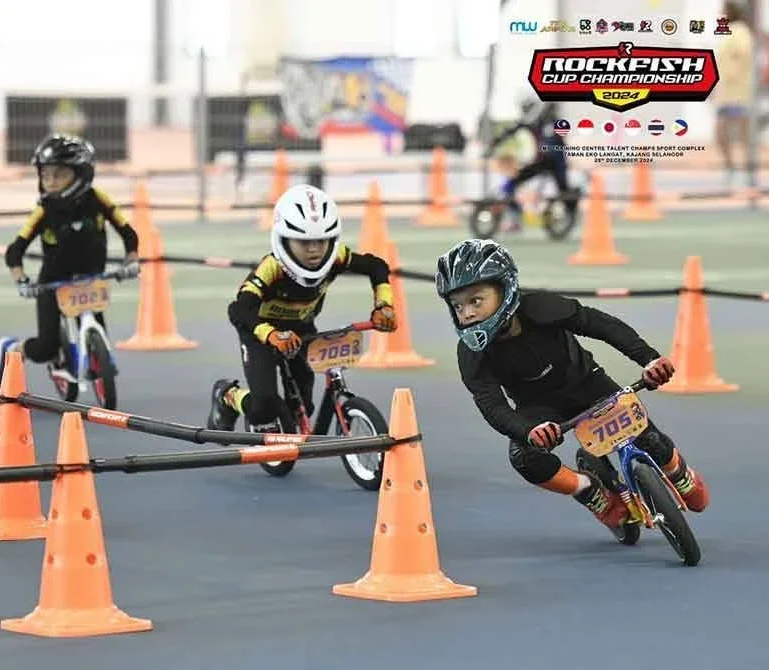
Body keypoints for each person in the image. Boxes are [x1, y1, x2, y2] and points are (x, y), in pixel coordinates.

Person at [434, 239, 709, 532]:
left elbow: (601, 325)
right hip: (540, 411)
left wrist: (649, 359)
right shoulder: (471, 353)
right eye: (458, 306)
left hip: (588, 384)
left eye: (476, 300)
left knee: (649, 440)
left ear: (506, 289)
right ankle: (589, 491)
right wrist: (527, 432)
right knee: (524, 458)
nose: (467, 313)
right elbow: (491, 404)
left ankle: (677, 472)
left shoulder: (542, 307)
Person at [206, 184, 397, 434]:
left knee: (304, 405)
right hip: (260, 333)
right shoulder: (271, 268)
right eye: (304, 242)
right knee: (263, 408)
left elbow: (377, 266)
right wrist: (272, 335)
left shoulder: (337, 256)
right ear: (284, 239)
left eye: (322, 241)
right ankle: (228, 396)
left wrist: (384, 304)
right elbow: (239, 310)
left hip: (302, 330)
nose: (315, 250)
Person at [0, 134, 140, 386]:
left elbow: (127, 231)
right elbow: (15, 250)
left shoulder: (97, 199)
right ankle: (11, 348)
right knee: (45, 348)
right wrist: (22, 280)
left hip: (91, 279)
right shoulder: (44, 210)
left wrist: (131, 260)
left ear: (81, 174)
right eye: (45, 175)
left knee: (99, 330)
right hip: (53, 281)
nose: (50, 182)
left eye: (59, 175)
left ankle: (96, 360)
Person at [484, 96, 571, 232]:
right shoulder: (533, 121)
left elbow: (555, 144)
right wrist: (494, 143)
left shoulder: (553, 123)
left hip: (555, 162)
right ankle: (514, 217)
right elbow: (512, 129)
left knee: (565, 192)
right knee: (513, 182)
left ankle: (568, 214)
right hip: (544, 162)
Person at [713, 1, 755, 186]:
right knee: (722, 133)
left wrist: (730, 78)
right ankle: (732, 168)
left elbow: (743, 57)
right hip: (726, 92)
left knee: (741, 133)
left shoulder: (741, 31)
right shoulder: (729, 32)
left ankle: (747, 171)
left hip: (738, 93)